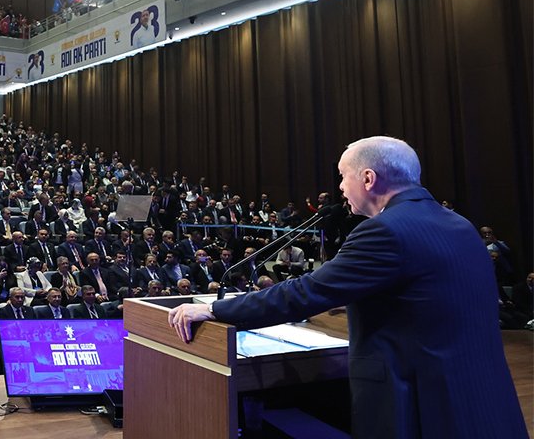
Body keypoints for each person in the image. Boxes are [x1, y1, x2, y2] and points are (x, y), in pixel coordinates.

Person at [168, 137, 527, 438]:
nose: (340, 187)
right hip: (482, 399)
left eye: (343, 176)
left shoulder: (383, 231)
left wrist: (215, 309)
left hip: (420, 406)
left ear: (368, 178)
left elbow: (304, 293)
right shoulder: (460, 224)